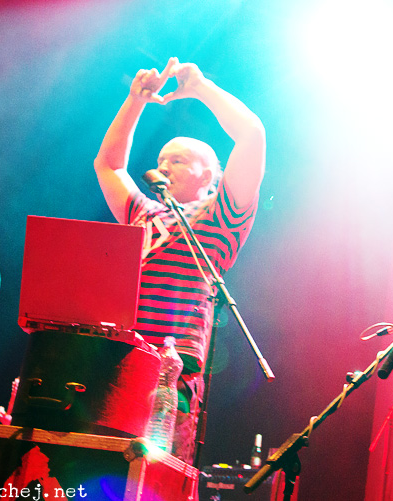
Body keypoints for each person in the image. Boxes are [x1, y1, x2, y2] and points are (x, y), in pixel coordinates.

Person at [94, 57, 266, 463]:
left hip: (170, 375)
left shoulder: (222, 214)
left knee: (151, 475)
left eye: (178, 160)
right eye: (161, 160)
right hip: (116, 363)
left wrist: (202, 88)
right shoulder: (144, 213)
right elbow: (109, 164)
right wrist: (135, 101)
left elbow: (252, 136)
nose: (163, 166)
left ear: (209, 176)